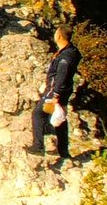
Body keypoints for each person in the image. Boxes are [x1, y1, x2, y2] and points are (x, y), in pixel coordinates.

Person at [30, 26, 80, 164]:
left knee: (38, 114)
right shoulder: (72, 51)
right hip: (64, 90)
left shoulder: (66, 56)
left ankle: (38, 146)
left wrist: (55, 94)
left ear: (59, 37)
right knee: (60, 118)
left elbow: (62, 75)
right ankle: (64, 151)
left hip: (55, 91)